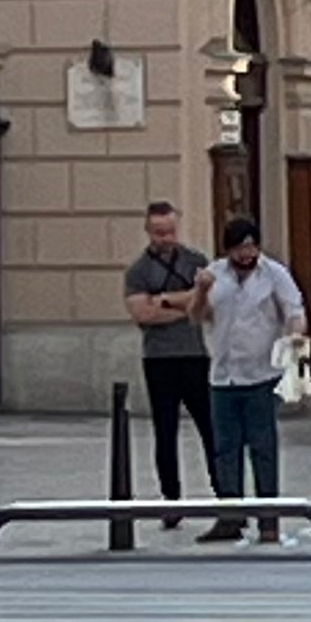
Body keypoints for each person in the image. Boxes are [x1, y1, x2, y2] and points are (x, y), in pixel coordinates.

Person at [197, 215, 307, 545]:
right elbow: (198, 315)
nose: (246, 255)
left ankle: (268, 521)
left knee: (263, 447)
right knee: (225, 449)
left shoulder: (274, 274)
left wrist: (295, 337)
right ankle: (230, 516)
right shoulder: (214, 274)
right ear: (228, 249)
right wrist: (200, 291)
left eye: (251, 247)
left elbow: (294, 311)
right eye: (239, 248)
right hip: (223, 375)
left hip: (261, 374)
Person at [123, 198, 212, 522]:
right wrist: (186, 305)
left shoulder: (196, 261)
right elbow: (142, 314)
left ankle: (225, 495)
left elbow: (207, 305)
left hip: (195, 355)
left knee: (210, 428)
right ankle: (170, 499)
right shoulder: (138, 271)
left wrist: (164, 301)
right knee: (165, 430)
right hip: (159, 358)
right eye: (159, 232)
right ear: (148, 231)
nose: (166, 238)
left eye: (171, 231)